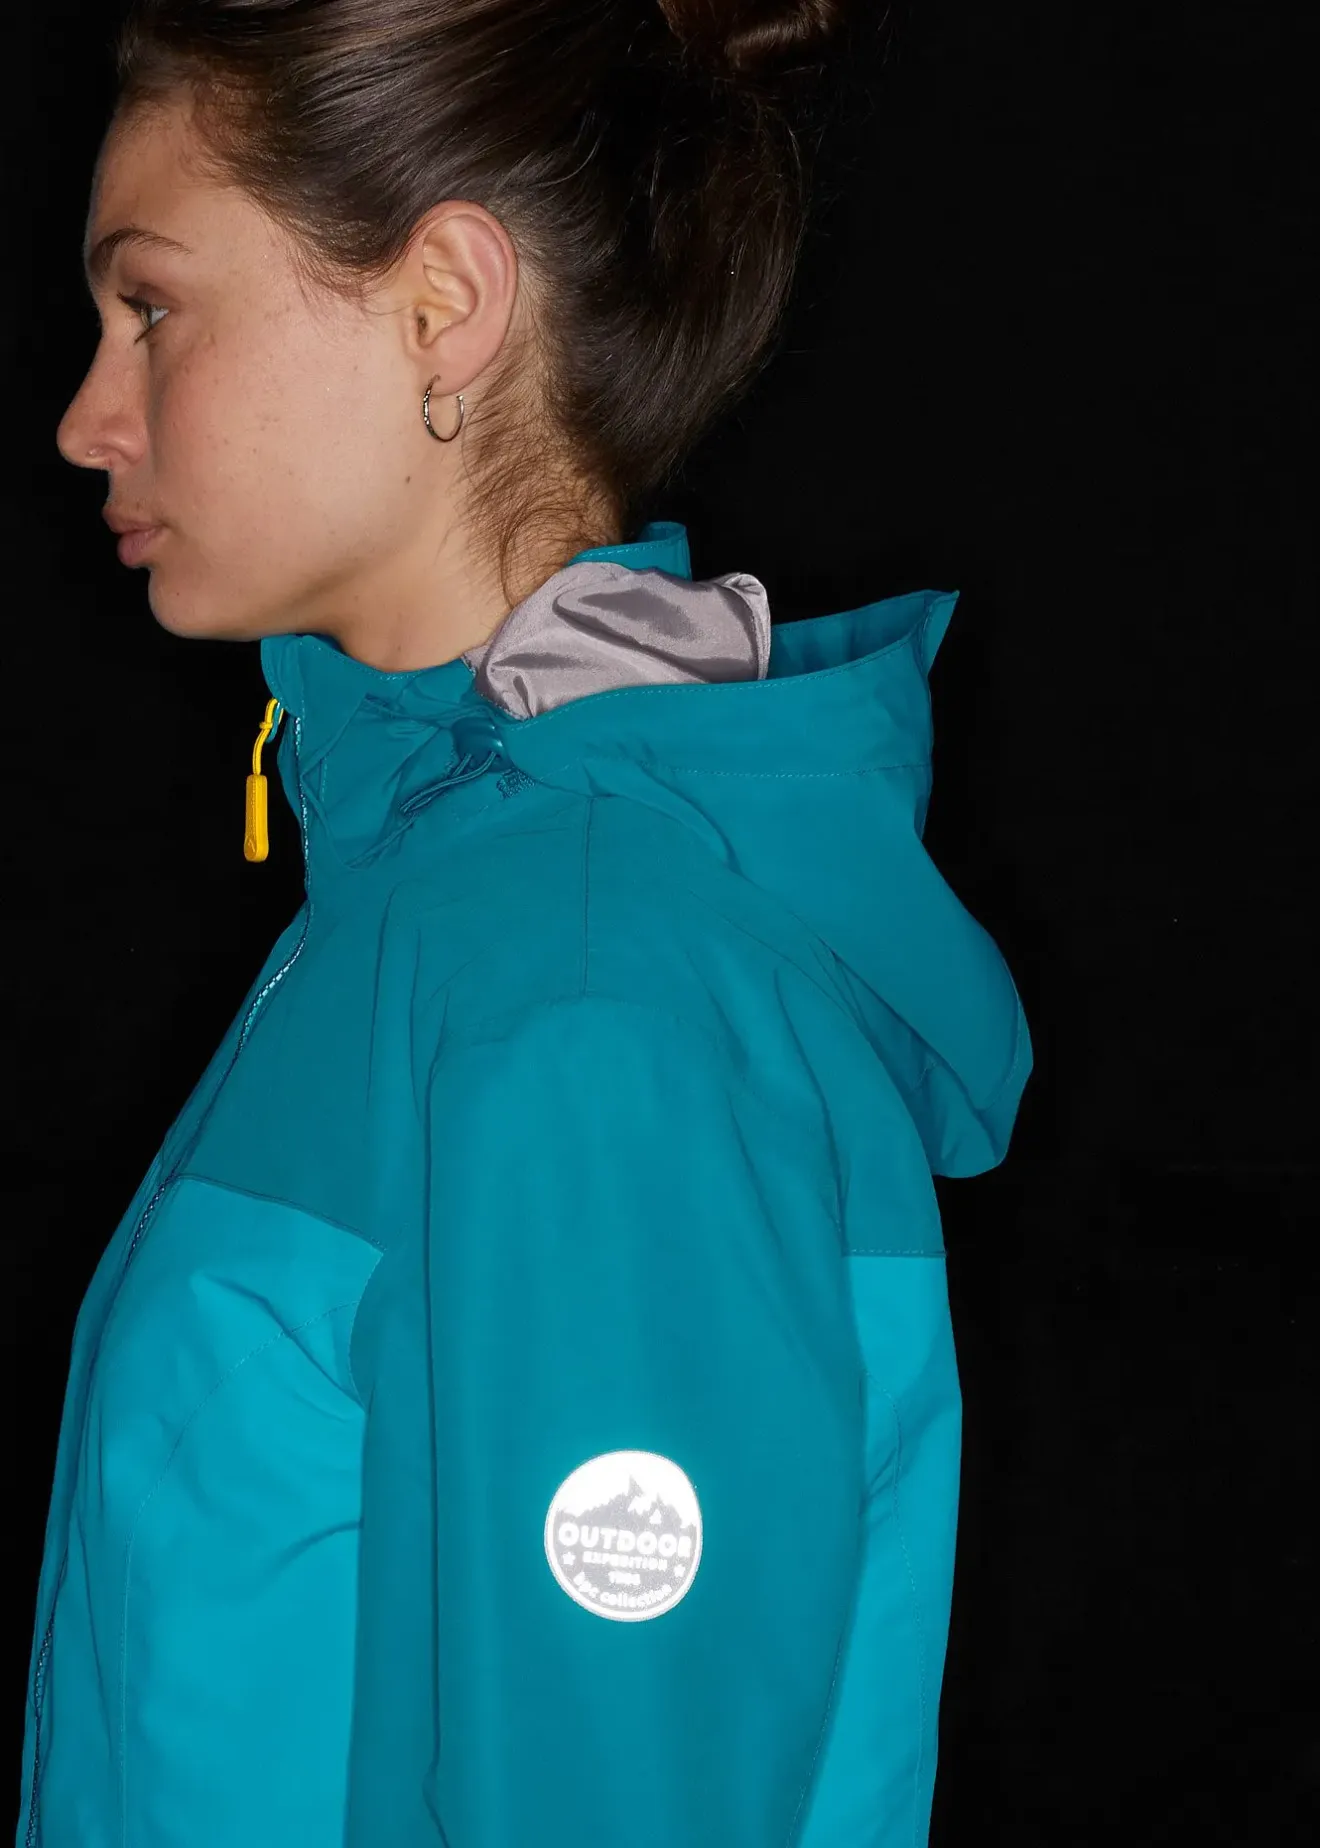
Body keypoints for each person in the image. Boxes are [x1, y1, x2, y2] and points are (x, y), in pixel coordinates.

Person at [20, 2, 1032, 1844]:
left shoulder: (591, 993)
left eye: (150, 305)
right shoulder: (439, 903)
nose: (89, 416)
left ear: (446, 306)